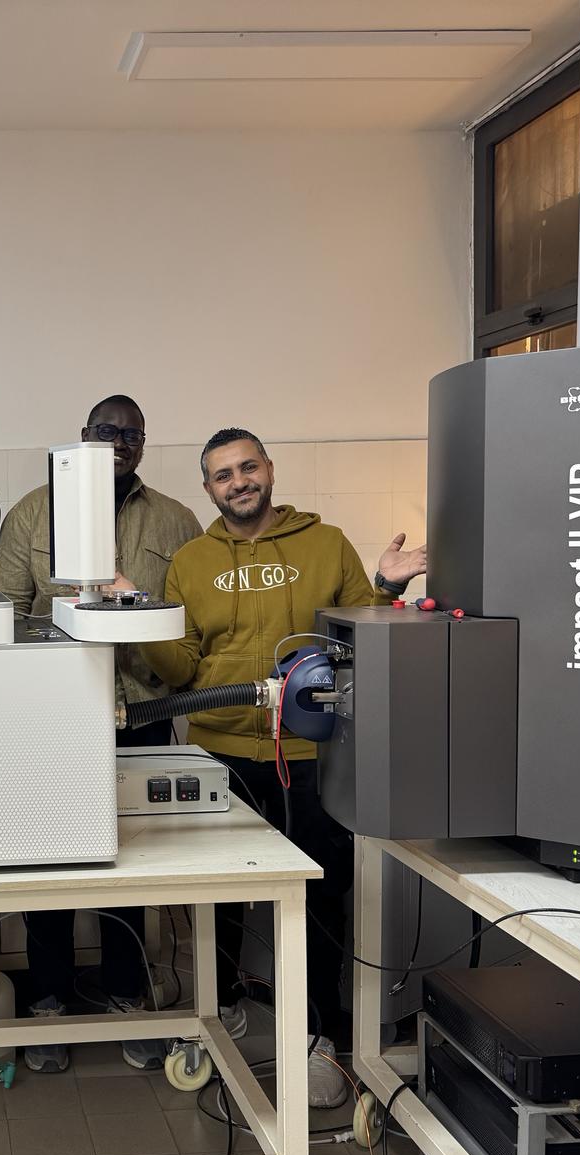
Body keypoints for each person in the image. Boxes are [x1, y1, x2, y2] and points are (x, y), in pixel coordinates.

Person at [140, 427, 426, 1107]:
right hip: (222, 753)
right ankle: (219, 1013)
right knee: (217, 896)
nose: (238, 482)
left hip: (309, 754)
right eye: (222, 475)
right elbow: (180, 668)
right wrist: (142, 625)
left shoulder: (325, 544)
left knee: (320, 897)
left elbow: (359, 631)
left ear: (269, 469)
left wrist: (386, 585)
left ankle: (318, 1036)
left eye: (247, 467)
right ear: (208, 489)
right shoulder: (192, 561)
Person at [0, 394, 202, 1074]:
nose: (119, 443)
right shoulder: (32, 514)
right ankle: (48, 1000)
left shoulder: (176, 520)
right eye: (107, 432)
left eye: (131, 434)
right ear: (84, 436)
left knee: (132, 866)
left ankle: (125, 995)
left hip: (140, 715)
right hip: (52, 720)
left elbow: (188, 620)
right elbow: (6, 616)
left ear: (143, 443)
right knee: (48, 864)